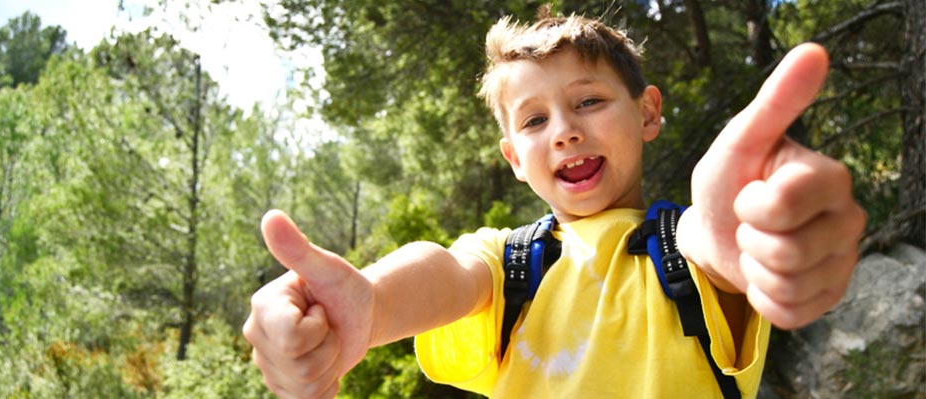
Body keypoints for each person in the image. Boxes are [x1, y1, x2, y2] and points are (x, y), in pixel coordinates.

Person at [242, 9, 866, 399]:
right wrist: (372, 305)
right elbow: (448, 271)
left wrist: (762, 236)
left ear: (648, 112)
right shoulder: (511, 261)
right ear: (514, 158)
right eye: (534, 119)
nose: (564, 130)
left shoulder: (689, 251)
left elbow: (715, 241)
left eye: (589, 101)